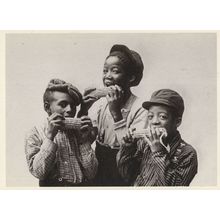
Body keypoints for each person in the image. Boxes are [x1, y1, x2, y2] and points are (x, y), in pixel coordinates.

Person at [78, 44, 147, 186]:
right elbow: (87, 139)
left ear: (131, 78)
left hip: (124, 171)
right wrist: (83, 110)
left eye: (115, 71)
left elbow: (131, 149)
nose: (107, 76)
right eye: (105, 70)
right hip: (99, 169)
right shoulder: (101, 106)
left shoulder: (140, 109)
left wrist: (116, 113)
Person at [117, 89, 198, 186]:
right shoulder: (143, 143)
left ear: (177, 121)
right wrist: (128, 148)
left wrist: (158, 152)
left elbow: (174, 187)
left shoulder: (188, 153)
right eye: (150, 116)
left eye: (162, 117)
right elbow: (126, 175)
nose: (154, 122)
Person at [25, 79, 98, 186]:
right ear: (47, 107)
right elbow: (38, 172)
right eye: (63, 104)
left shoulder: (78, 133)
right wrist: (49, 137)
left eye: (73, 106)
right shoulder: (34, 133)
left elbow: (92, 173)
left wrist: (83, 141)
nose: (69, 110)